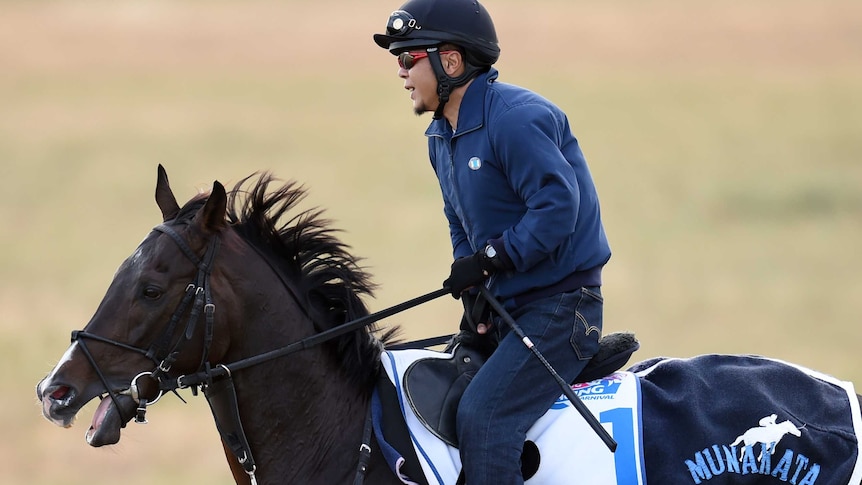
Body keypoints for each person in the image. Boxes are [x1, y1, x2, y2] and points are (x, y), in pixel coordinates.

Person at [373, 1, 611, 483]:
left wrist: (493, 258)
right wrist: (475, 284)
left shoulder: (517, 119)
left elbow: (557, 209)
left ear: (451, 62)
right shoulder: (440, 136)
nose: (400, 73)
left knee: (484, 419)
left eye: (407, 59)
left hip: (563, 309)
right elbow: (461, 223)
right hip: (510, 309)